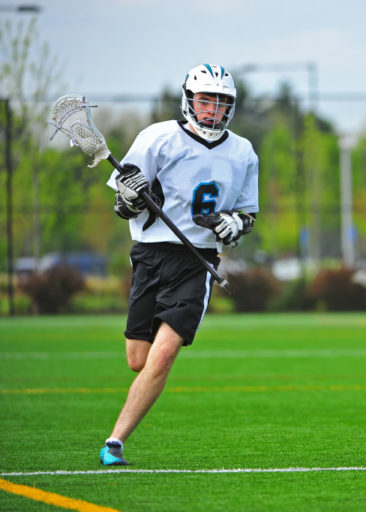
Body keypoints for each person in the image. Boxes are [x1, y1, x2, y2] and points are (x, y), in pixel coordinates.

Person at [99, 64, 259, 466]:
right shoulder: (157, 138)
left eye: (222, 101)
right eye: (206, 99)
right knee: (139, 359)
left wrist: (233, 224)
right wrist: (132, 199)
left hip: (197, 261)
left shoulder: (242, 151)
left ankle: (115, 442)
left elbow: (248, 216)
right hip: (151, 255)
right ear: (189, 99)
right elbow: (123, 204)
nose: (213, 109)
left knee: (165, 352)